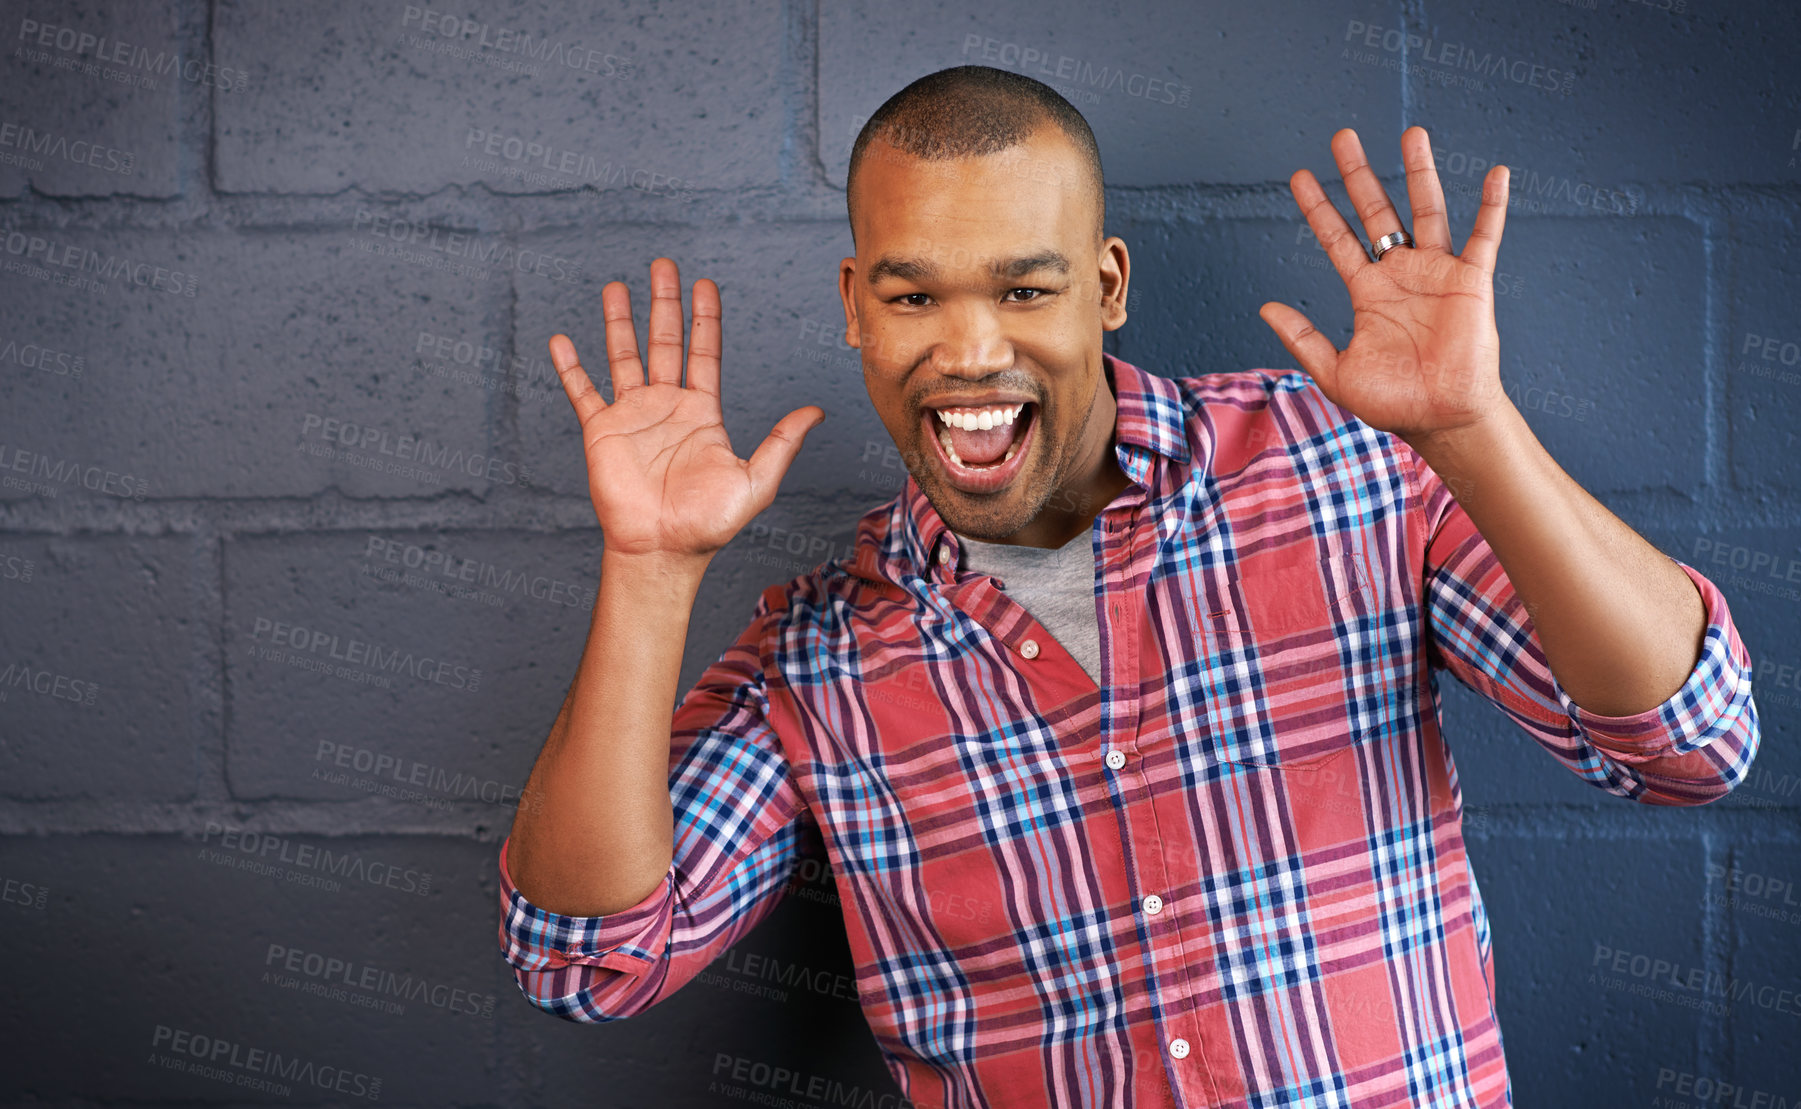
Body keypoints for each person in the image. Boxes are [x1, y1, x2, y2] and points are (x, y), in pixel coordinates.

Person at [495, 65, 1759, 1108]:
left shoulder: (1340, 471)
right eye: (913, 293)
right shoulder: (817, 659)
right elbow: (585, 957)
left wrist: (1474, 428)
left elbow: (1691, 741)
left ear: (1104, 287)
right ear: (855, 310)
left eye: (1023, 287)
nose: (970, 347)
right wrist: (652, 568)